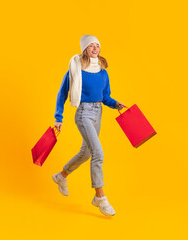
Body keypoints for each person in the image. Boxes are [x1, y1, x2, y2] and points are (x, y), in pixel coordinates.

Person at [51, 35, 125, 216]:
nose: (95, 48)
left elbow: (105, 96)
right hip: (83, 113)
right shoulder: (75, 69)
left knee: (86, 153)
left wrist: (115, 104)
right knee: (98, 153)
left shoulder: (102, 71)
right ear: (85, 49)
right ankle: (99, 197)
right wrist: (58, 117)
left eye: (98, 45)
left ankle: (61, 176)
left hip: (98, 112)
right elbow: (62, 93)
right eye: (91, 45)